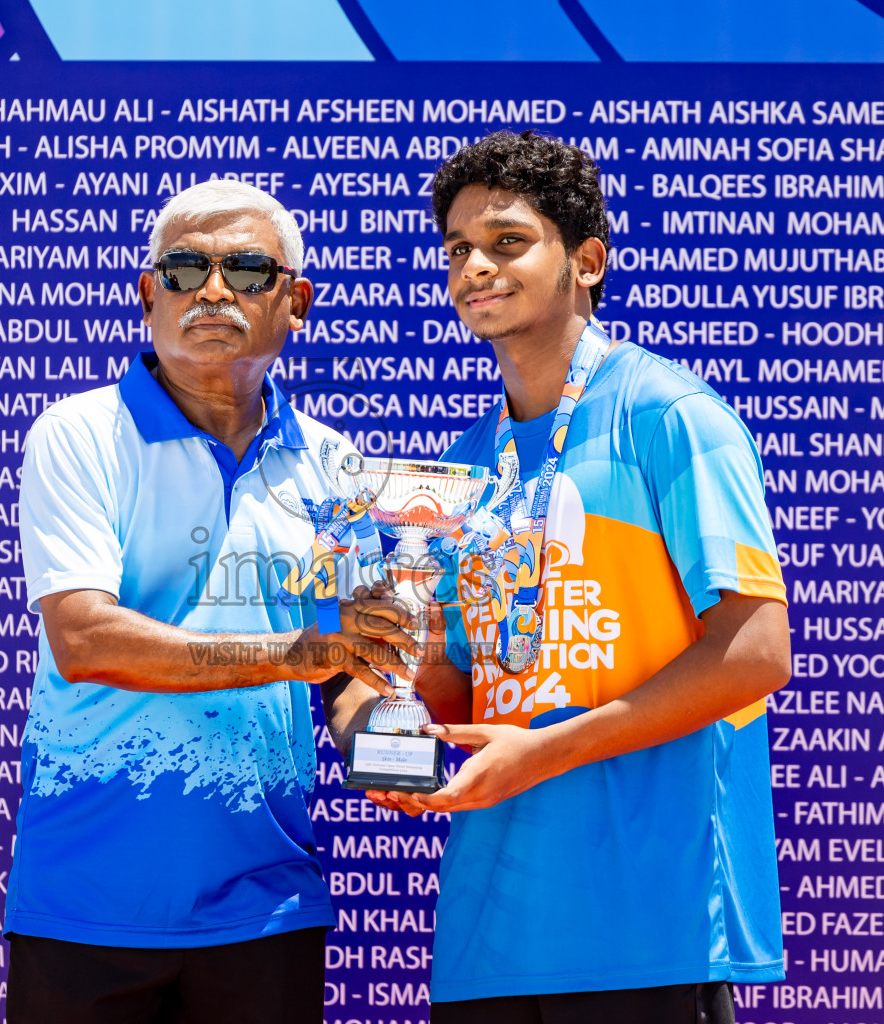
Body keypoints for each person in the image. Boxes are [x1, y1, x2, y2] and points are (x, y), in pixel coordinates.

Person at [333, 131, 792, 1024]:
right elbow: (454, 686)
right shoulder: (464, 465)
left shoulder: (669, 414)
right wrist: (395, 719)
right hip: (488, 940)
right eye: (457, 250)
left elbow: (756, 652)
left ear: (585, 260)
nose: (476, 267)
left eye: (507, 242)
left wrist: (545, 750)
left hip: (646, 929)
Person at [6, 178, 412, 1023]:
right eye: (186, 269)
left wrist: (389, 748)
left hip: (267, 904)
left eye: (247, 270)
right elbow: (87, 639)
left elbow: (350, 673)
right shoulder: (78, 434)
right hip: (86, 904)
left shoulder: (334, 465)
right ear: (150, 294)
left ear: (295, 302)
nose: (213, 290)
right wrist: (296, 654)